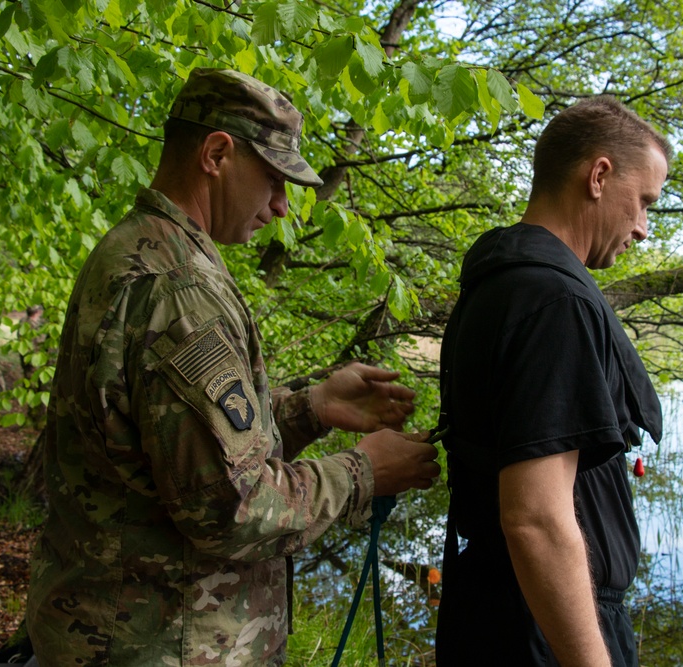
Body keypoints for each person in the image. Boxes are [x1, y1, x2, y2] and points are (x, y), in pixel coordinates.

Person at [25, 67, 441, 666]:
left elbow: (170, 441)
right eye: (274, 180)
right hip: (160, 645)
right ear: (218, 153)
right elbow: (234, 509)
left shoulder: (138, 247)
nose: (280, 207)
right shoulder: (179, 287)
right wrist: (365, 471)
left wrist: (312, 408)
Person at [434, 97, 670, 667]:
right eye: (643, 203)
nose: (642, 227)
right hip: (536, 629)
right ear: (599, 175)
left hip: (502, 613)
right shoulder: (553, 300)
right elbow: (536, 518)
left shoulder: (499, 284)